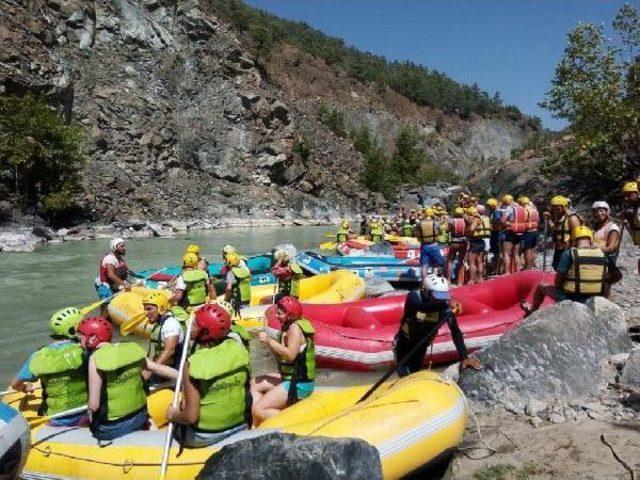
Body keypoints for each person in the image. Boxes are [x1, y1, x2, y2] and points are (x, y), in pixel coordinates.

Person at [165, 304, 251, 447]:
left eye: (194, 325)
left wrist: (172, 413)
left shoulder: (192, 363)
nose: (191, 328)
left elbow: (191, 417)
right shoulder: (239, 349)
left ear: (204, 331)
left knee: (174, 412)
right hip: (240, 426)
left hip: (205, 435)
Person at [79, 317, 176, 441]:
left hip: (112, 427)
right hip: (140, 416)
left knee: (91, 419)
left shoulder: (95, 358)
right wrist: (185, 378)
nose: (79, 341)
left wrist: (89, 415)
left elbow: (94, 405)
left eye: (81, 336)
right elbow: (157, 368)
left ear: (93, 338)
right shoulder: (130, 349)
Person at [9, 307, 88, 427]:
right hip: (87, 414)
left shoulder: (39, 356)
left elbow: (15, 384)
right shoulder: (86, 350)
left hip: (56, 419)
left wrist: (24, 388)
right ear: (73, 330)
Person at [393, 274, 481, 377]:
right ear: (425, 291)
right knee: (405, 376)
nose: (440, 301)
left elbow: (456, 332)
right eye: (437, 297)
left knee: (414, 373)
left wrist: (464, 357)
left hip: (421, 345)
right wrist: (447, 304)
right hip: (404, 344)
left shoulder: (445, 308)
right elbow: (423, 308)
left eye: (442, 297)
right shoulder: (413, 297)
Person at [252, 296, 315, 425]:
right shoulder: (289, 326)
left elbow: (291, 355)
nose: (277, 316)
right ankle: (257, 425)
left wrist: (270, 341)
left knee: (258, 409)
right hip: (290, 377)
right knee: (254, 383)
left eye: (280, 314)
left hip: (298, 384)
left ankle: (297, 423)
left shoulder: (295, 329)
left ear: (289, 314)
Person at [521, 226, 609, 316]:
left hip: (571, 298)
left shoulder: (569, 254)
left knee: (541, 287)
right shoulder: (602, 255)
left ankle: (532, 311)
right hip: (595, 298)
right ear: (591, 240)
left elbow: (557, 282)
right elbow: (612, 279)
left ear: (574, 240)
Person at [142, 291, 185, 371]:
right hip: (160, 369)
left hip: (172, 372)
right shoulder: (159, 324)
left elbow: (169, 351)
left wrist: (150, 371)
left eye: (149, 309)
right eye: (145, 309)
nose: (146, 313)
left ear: (161, 308)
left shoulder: (170, 324)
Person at [545, 195, 582, 271]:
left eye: (557, 208)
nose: (555, 210)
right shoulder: (559, 217)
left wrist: (573, 250)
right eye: (553, 208)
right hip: (559, 248)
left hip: (567, 249)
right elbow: (554, 229)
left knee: (564, 270)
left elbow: (578, 235)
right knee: (556, 267)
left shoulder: (572, 218)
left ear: (564, 207)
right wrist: (549, 219)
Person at [592, 201, 622, 294]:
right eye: (596, 211)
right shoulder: (596, 225)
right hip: (596, 258)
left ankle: (606, 303)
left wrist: (593, 248)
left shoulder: (612, 227)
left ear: (607, 211)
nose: (599, 214)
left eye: (602, 211)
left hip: (606, 259)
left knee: (605, 282)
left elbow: (611, 248)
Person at [415, 207, 444, 278]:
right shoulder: (436, 223)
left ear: (424, 214)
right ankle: (434, 279)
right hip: (434, 245)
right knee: (436, 264)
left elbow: (416, 234)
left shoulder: (419, 224)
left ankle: (424, 283)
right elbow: (440, 232)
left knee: (424, 265)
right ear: (431, 214)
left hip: (424, 246)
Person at [500, 194, 525, 274]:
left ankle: (507, 272)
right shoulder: (521, 207)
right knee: (516, 254)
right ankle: (517, 271)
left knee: (506, 253)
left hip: (511, 232)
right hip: (520, 233)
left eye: (505, 203)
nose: (505, 205)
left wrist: (508, 225)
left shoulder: (510, 208)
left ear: (507, 201)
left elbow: (502, 220)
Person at [466, 206, 490, 284]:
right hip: (481, 242)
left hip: (475, 242)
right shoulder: (481, 218)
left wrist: (467, 231)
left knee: (471, 262)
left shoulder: (475, 219)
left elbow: (472, 229)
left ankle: (472, 280)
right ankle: (480, 278)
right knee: (479, 261)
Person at [621, 181, 640, 273]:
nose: (626, 198)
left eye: (629, 194)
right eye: (625, 195)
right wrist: (626, 223)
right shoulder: (631, 209)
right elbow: (633, 230)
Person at [446, 207, 468, 286]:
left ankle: (448, 280)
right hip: (463, 242)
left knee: (450, 261)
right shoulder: (465, 221)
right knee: (461, 261)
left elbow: (446, 230)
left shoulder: (452, 221)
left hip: (454, 242)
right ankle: (459, 282)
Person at [518, 196, 540, 270]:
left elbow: (522, 222)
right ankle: (531, 266)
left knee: (526, 250)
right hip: (535, 231)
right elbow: (538, 221)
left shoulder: (524, 210)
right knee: (531, 250)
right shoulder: (535, 210)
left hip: (527, 233)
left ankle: (527, 267)